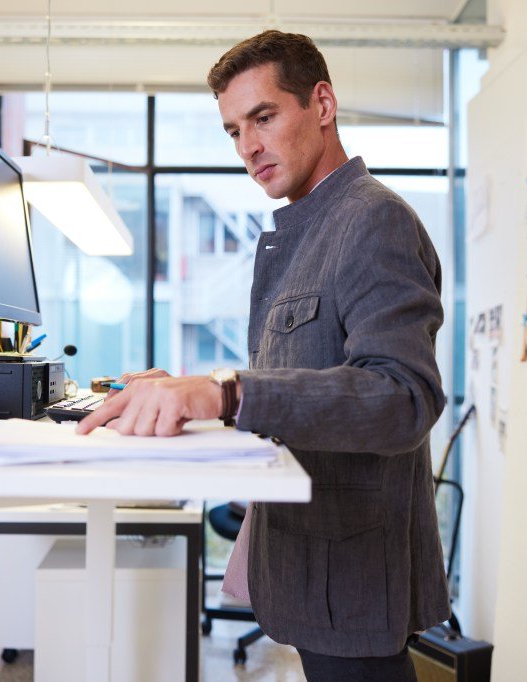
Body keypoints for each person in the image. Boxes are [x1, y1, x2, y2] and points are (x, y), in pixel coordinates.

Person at [78, 30, 449, 681]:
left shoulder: (373, 221)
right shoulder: (303, 231)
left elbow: (403, 398)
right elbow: (298, 388)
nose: (248, 146)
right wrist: (191, 392)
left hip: (354, 576)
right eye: (233, 130)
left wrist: (227, 391)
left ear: (322, 104)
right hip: (309, 565)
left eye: (264, 117)